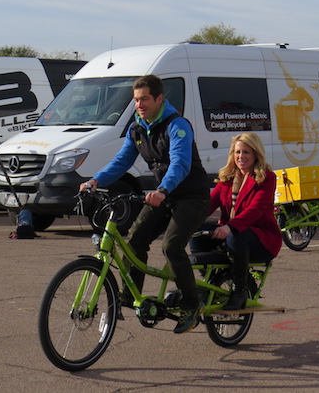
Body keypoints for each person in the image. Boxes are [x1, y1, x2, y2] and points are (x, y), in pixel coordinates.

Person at [82, 75, 210, 333]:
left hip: (192, 197)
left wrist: (162, 189)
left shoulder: (177, 125)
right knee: (134, 239)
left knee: (172, 246)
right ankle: (131, 298)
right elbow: (121, 162)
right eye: (136, 100)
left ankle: (191, 304)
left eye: (145, 99)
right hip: (164, 195)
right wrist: (95, 181)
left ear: (159, 99)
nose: (139, 105)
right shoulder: (137, 128)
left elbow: (180, 163)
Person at [190, 133, 282, 310]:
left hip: (260, 238)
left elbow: (255, 211)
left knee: (234, 237)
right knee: (196, 230)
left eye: (246, 152)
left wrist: (230, 227)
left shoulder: (266, 178)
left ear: (256, 154)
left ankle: (240, 290)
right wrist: (185, 220)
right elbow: (208, 205)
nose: (241, 157)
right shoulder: (228, 178)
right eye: (238, 152)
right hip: (231, 232)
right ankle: (208, 282)